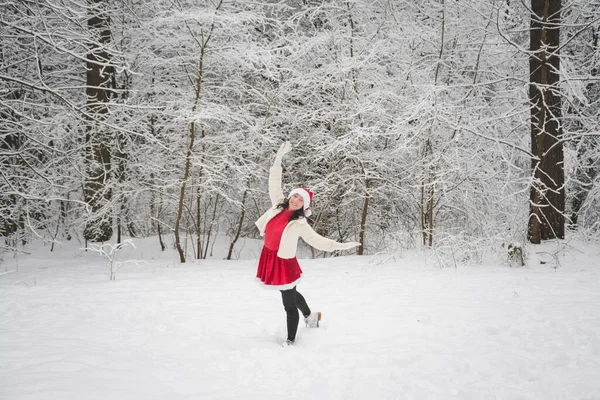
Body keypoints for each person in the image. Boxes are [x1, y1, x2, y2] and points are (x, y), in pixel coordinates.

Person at [255, 141, 361, 346]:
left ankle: (290, 340)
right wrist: (278, 158)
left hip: (283, 263)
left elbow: (317, 240)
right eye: (295, 196)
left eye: (300, 200)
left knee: (287, 302)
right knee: (290, 293)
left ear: (304, 205)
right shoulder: (278, 205)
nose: (295, 200)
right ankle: (311, 316)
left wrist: (340, 246)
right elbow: (274, 183)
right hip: (269, 257)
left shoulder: (299, 223)